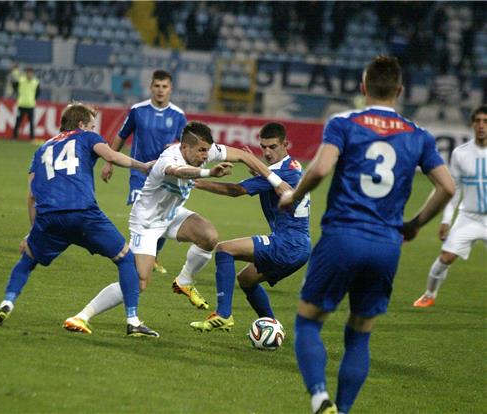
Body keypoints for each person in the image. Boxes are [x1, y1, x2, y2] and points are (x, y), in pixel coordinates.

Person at [279, 55, 454, 414]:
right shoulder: (418, 135)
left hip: (343, 236)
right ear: (400, 90)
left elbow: (322, 167)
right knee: (360, 330)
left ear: (362, 87)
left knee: (308, 321)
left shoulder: (345, 123)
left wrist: (293, 197)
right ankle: (341, 411)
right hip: (387, 244)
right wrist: (416, 223)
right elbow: (447, 188)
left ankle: (318, 399)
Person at [63, 121, 293, 335]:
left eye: (208, 151)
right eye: (201, 151)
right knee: (140, 281)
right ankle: (82, 316)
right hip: (147, 223)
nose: (205, 156)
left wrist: (276, 182)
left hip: (172, 215)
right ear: (184, 147)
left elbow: (243, 156)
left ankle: (184, 280)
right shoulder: (168, 159)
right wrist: (208, 173)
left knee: (209, 237)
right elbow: (179, 172)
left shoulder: (203, 150)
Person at [0, 103, 159, 337]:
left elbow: (31, 195)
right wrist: (142, 166)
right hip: (83, 214)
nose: (94, 128)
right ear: (81, 125)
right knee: (126, 260)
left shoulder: (42, 149)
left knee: (27, 260)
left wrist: (32, 231)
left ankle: (7, 303)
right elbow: (111, 155)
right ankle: (133, 321)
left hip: (49, 218)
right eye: (92, 124)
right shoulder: (86, 137)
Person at [189, 123, 311, 331]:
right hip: (300, 246)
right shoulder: (294, 166)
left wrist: (196, 182)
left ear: (286, 144)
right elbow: (270, 180)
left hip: (288, 243)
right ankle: (272, 327)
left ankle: (223, 315)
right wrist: (258, 171)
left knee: (224, 249)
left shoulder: (280, 172)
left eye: (272, 147)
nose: (267, 152)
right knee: (246, 280)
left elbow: (236, 190)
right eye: (263, 147)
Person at [101, 70, 187, 274]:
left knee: (164, 215)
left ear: (170, 89)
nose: (160, 90)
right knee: (143, 213)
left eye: (164, 86)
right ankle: (134, 256)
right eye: (157, 86)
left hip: (167, 174)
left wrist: (176, 145)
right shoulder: (138, 110)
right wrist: (109, 162)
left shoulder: (178, 115)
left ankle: (152, 256)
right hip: (140, 171)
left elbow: (186, 145)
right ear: (151, 87)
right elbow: (121, 136)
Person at [413, 105, 487, 308]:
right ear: (472, 124)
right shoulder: (461, 154)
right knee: (445, 257)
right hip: (469, 217)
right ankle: (429, 294)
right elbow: (452, 190)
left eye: (485, 121)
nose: (481, 126)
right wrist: (446, 220)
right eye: (478, 121)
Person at [12, 67, 40, 141]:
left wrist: (33, 99)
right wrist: (18, 94)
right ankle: (14, 137)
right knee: (18, 122)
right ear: (26, 73)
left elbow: (38, 93)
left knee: (31, 123)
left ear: (33, 74)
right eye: (28, 73)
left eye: (31, 73)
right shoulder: (21, 80)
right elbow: (14, 86)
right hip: (21, 105)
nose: (29, 74)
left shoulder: (36, 82)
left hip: (31, 105)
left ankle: (32, 138)